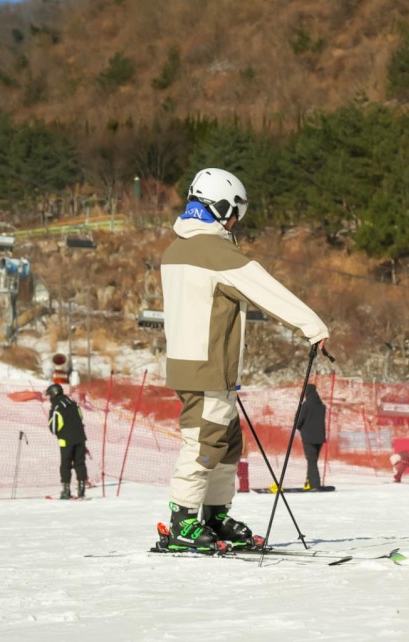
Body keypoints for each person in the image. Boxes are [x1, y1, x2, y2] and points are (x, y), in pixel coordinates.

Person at [161, 167, 330, 552]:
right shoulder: (214, 252)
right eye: (235, 212)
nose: (236, 221)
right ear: (221, 208)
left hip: (196, 365)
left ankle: (215, 514)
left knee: (225, 442)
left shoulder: (176, 249)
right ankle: (183, 520)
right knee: (204, 441)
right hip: (207, 367)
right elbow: (266, 289)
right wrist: (313, 326)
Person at [46, 383, 88, 499]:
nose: (49, 398)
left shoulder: (56, 407)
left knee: (66, 464)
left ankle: (66, 490)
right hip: (80, 438)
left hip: (66, 440)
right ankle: (81, 489)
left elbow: (53, 428)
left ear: (53, 395)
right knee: (80, 463)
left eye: (50, 395)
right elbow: (80, 418)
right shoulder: (74, 404)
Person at [296, 383, 328, 490]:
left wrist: (300, 426)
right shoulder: (321, 406)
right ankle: (309, 483)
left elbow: (298, 421)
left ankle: (314, 485)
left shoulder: (306, 405)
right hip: (319, 438)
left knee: (311, 461)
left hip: (308, 437)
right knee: (313, 461)